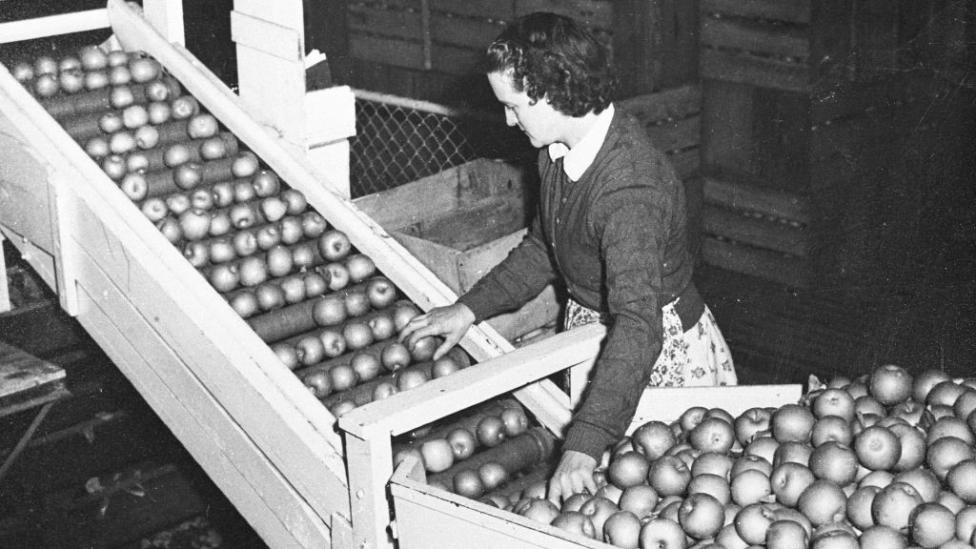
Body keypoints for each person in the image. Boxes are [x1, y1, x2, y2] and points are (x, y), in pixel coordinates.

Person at [398, 12, 737, 502]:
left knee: (656, 498)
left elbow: (638, 325)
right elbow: (543, 248)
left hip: (650, 354)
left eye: (514, 106)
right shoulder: (557, 150)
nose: (509, 121)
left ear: (554, 92)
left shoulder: (627, 192)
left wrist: (585, 440)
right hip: (598, 334)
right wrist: (470, 308)